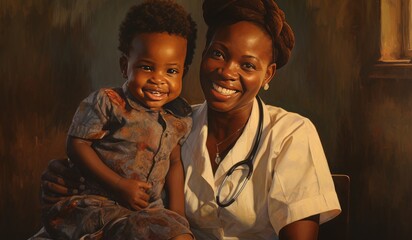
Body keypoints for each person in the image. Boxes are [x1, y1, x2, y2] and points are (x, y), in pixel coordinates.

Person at [35, 0, 341, 239]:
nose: (227, 72)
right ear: (204, 52)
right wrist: (65, 178)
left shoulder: (291, 134)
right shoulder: (171, 123)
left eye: (248, 65)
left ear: (268, 75)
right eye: (219, 54)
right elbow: (108, 166)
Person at [35, 0, 197, 239]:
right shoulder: (108, 102)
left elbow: (174, 164)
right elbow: (77, 144)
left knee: (179, 235)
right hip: (98, 204)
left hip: (144, 214)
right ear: (125, 66)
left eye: (171, 71)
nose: (158, 79)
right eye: (147, 67)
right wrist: (119, 185)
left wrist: (177, 215)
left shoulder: (177, 118)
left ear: (183, 71)